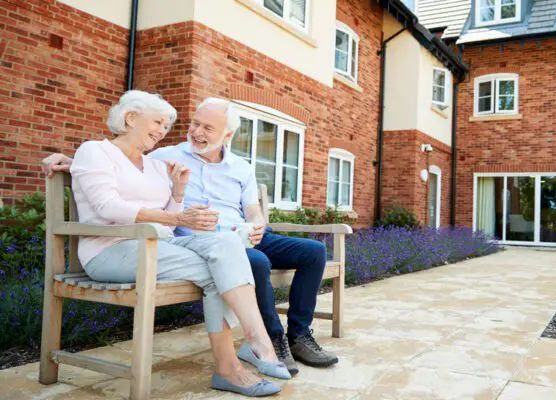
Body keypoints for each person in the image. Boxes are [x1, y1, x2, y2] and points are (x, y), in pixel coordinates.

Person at [43, 98, 338, 376]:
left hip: (241, 235)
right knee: (255, 262)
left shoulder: (241, 167)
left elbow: (252, 210)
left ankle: (299, 335)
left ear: (228, 135)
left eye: (207, 128)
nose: (196, 132)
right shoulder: (165, 155)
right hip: (203, 242)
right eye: (194, 124)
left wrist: (258, 224)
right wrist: (73, 162)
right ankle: (271, 339)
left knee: (313, 252)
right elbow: (120, 160)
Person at [68, 90, 289, 397]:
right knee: (221, 269)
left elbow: (168, 220)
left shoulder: (156, 165)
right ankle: (241, 359)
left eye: (166, 126)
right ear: (131, 118)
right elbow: (108, 207)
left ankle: (254, 344)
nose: (163, 131)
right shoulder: (95, 151)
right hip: (109, 251)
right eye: (158, 122)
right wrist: (179, 219)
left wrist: (179, 193)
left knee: (226, 245)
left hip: (157, 247)